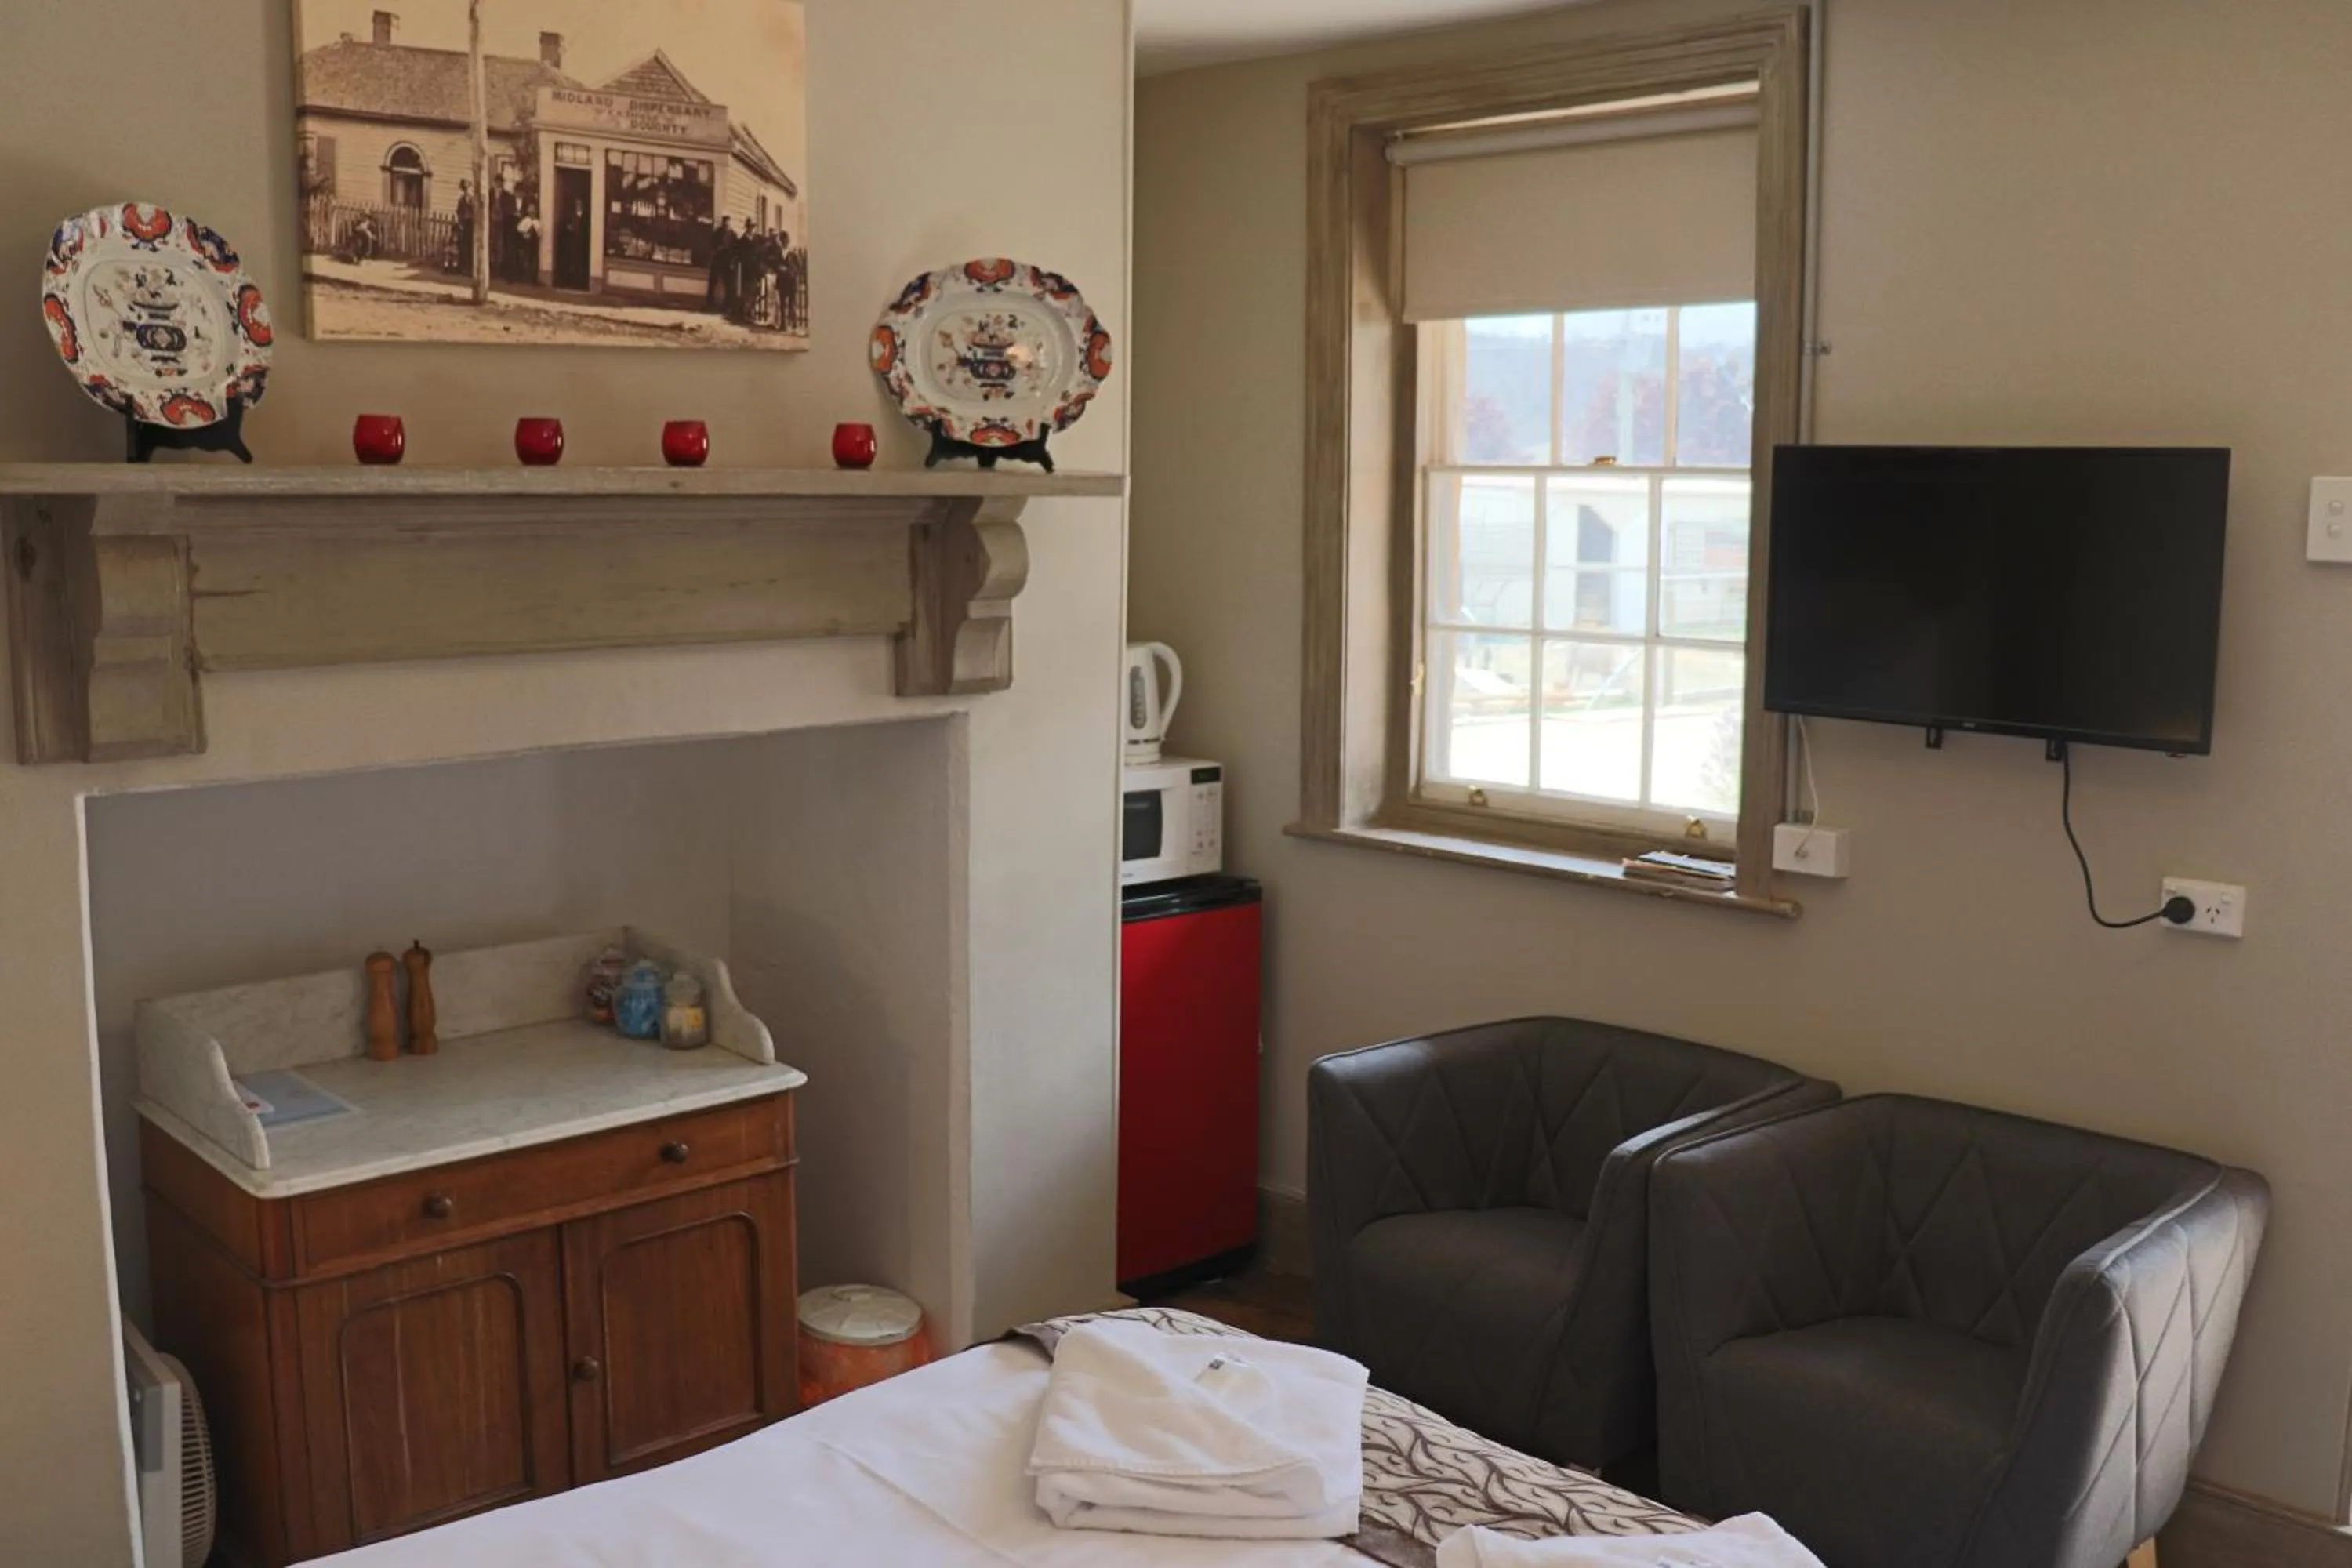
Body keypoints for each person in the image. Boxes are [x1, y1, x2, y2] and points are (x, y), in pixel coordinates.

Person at [708, 217, 739, 314]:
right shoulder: (717, 233)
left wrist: (733, 261)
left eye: (728, 223)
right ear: (723, 223)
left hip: (728, 262)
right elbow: (712, 245)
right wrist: (717, 249)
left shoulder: (733, 235)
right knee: (713, 282)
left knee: (729, 284)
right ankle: (710, 303)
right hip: (718, 260)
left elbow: (736, 249)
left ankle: (727, 305)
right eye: (725, 223)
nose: (727, 225)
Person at [452, 179, 477, 276]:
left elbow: (476, 212)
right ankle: (463, 268)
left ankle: (471, 269)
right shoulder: (461, 200)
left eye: (468, 189)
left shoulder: (473, 200)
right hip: (464, 224)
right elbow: (458, 212)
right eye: (465, 189)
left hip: (472, 223)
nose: (466, 191)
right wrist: (460, 223)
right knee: (463, 246)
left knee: (471, 247)